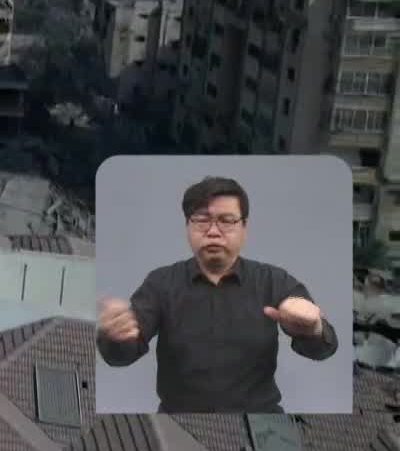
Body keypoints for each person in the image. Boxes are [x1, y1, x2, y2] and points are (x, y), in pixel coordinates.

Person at [96, 175, 338, 413]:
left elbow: (325, 346)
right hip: (179, 424)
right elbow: (121, 354)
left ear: (244, 227)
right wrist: (116, 336)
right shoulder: (161, 284)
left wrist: (314, 330)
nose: (213, 231)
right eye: (201, 220)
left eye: (226, 221)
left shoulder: (272, 281)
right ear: (188, 227)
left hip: (258, 421)